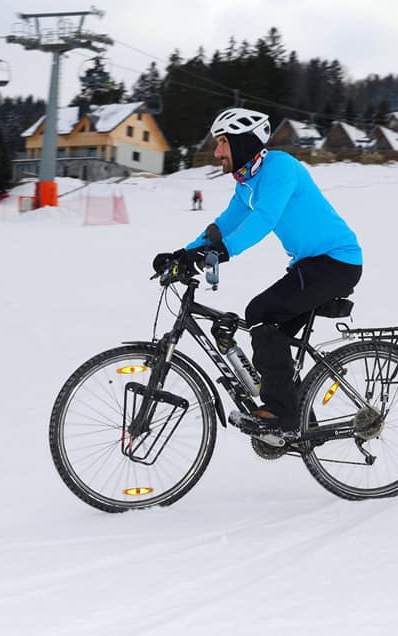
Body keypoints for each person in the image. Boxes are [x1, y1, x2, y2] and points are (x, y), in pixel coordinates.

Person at [152, 108, 363, 436]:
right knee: (268, 329)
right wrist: (184, 253)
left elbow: (264, 217)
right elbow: (222, 226)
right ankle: (297, 415)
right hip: (310, 264)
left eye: (222, 143)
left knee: (260, 311)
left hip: (336, 262)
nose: (217, 151)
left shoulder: (281, 168)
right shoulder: (247, 183)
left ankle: (281, 413)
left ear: (242, 142)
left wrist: (224, 252)